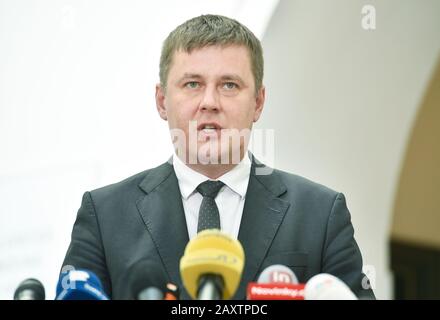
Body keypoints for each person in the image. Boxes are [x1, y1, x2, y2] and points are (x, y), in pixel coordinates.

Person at [61, 14, 375, 300]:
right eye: (192, 84)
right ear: (161, 101)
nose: (210, 102)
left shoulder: (319, 215)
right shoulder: (105, 216)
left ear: (258, 102)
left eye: (229, 85)